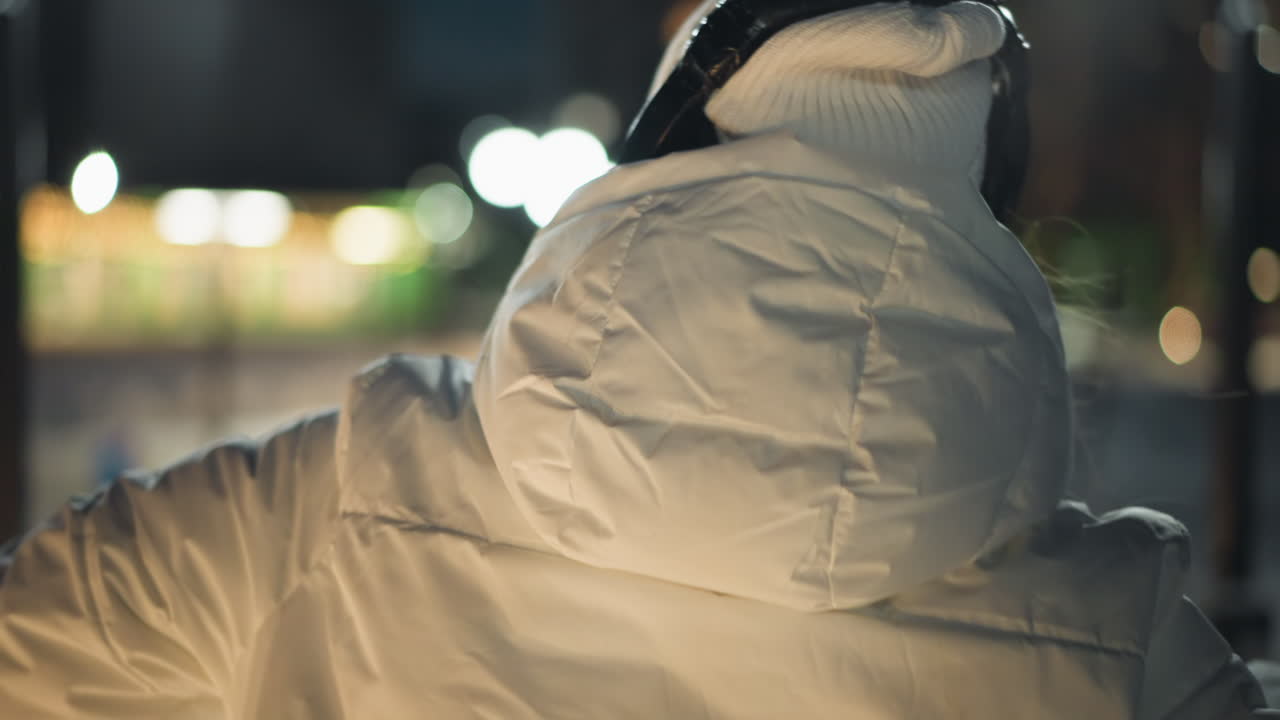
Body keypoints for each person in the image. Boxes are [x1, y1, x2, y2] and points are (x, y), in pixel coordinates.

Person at [1, 1, 1274, 717]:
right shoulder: (1116, 644)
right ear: (980, 198)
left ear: (667, 153)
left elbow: (33, 642)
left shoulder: (336, 502)